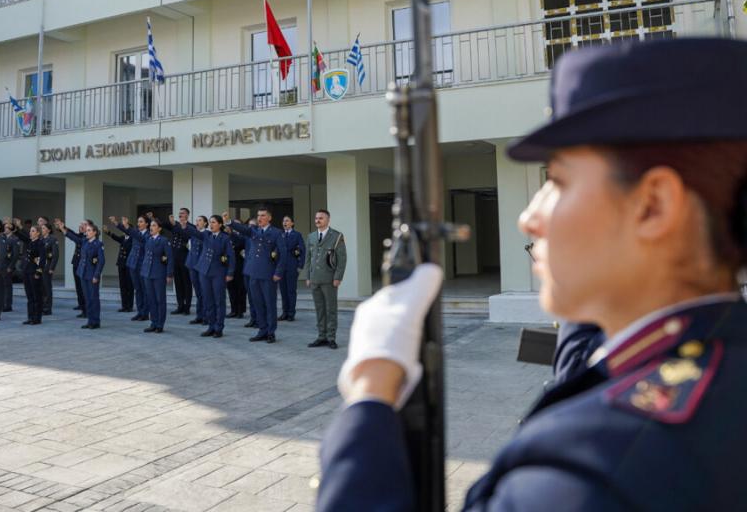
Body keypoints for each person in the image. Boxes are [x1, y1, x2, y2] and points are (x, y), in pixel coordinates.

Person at [317, 38, 747, 511]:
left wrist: (371, 393)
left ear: (654, 205)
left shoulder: (594, 472)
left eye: (558, 182)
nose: (529, 217)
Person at [224, 208, 286, 343]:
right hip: (253, 273)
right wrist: (229, 222)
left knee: (269, 304)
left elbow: (283, 255)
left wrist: (278, 272)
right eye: (258, 215)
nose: (260, 218)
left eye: (263, 215)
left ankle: (271, 332)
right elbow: (242, 229)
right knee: (257, 303)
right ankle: (262, 330)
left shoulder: (276, 233)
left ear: (269, 218)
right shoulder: (253, 230)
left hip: (268, 274)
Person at [183, 215, 235, 338]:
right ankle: (211, 326)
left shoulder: (225, 238)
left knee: (219, 301)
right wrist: (184, 224)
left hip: (218, 272)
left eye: (214, 222)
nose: (211, 225)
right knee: (208, 300)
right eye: (210, 222)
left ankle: (219, 328)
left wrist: (230, 273)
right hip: (204, 271)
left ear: (220, 224)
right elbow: (196, 232)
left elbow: (231, 257)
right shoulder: (206, 235)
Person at [303, 209, 346, 349]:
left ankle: (331, 338)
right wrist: (308, 276)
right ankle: (321, 336)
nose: (317, 220)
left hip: (329, 279)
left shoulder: (337, 236)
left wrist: (338, 277)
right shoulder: (311, 236)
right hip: (315, 279)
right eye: (316, 218)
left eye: (321, 218)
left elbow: (342, 259)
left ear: (328, 220)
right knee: (319, 309)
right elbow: (308, 258)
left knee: (331, 309)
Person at [56, 219, 105, 329]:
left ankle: (95, 321)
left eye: (89, 230)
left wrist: (96, 275)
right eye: (86, 231)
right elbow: (73, 237)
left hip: (92, 275)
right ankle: (89, 320)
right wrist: (62, 228)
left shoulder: (98, 244)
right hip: (83, 274)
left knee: (94, 298)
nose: (86, 232)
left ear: (94, 232)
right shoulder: (84, 241)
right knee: (87, 298)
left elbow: (101, 262)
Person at [155, 209, 193, 315]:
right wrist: (152, 218)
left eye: (183, 213)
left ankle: (187, 307)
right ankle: (180, 305)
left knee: (186, 283)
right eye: (179, 213)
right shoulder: (174, 225)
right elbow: (163, 225)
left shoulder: (191, 227)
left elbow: (186, 235)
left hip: (184, 257)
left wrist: (175, 225)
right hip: (175, 257)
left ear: (187, 215)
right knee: (178, 283)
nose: (180, 215)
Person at [114, 215, 150, 322]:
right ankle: (140, 312)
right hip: (133, 264)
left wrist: (126, 226)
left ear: (146, 224)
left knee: (144, 290)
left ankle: (145, 313)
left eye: (141, 222)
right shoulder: (135, 233)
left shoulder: (147, 235)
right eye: (138, 222)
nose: (139, 224)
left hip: (142, 265)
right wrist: (117, 223)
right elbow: (128, 231)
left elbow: (139, 238)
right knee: (137, 289)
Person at [140, 218, 173, 333]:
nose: (151, 227)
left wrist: (169, 274)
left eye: (154, 225)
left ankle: (160, 324)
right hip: (147, 273)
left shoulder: (164, 240)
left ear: (159, 228)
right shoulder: (148, 240)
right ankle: (153, 322)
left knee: (160, 299)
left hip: (159, 273)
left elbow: (169, 258)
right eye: (151, 225)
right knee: (151, 299)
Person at [174, 215, 207, 325]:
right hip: (192, 265)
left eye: (200, 220)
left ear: (205, 223)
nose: (197, 222)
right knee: (198, 292)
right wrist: (183, 227)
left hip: (201, 266)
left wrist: (186, 226)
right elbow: (184, 234)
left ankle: (206, 316)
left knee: (204, 292)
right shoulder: (193, 234)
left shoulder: (206, 234)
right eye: (196, 220)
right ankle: (199, 315)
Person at [14, 224, 46, 325]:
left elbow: (42, 259)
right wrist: (14, 227)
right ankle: (30, 317)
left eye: (33, 231)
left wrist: (38, 272)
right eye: (30, 231)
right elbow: (20, 236)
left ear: (38, 233)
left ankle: (37, 318)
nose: (30, 233)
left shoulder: (40, 243)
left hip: (34, 272)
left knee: (37, 296)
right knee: (29, 296)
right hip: (27, 271)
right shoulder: (30, 242)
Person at [278, 215, 306, 321]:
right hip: (281, 266)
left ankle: (291, 313)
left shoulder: (297, 235)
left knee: (291, 290)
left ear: (292, 223)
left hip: (291, 265)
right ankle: (284, 312)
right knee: (283, 290)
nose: (285, 223)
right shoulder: (280, 235)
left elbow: (302, 250)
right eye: (283, 221)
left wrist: (300, 266)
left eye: (287, 221)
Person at [103, 224, 134, 313]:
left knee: (129, 285)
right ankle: (124, 305)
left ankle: (129, 306)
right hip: (121, 263)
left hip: (129, 264)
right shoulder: (123, 237)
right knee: (122, 285)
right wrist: (108, 232)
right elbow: (115, 237)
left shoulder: (133, 238)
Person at [224, 225, 247, 319]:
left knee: (240, 289)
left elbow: (240, 242)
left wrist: (232, 233)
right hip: (228, 266)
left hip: (238, 266)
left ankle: (240, 310)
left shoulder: (241, 236)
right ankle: (233, 310)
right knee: (231, 288)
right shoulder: (225, 237)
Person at [40, 223, 59, 316]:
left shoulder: (52, 239)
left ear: (48, 230)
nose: (42, 230)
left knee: (47, 288)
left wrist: (52, 267)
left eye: (43, 228)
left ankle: (47, 308)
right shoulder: (41, 239)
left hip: (47, 266)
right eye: (41, 228)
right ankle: (42, 306)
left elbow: (55, 255)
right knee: (41, 288)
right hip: (40, 266)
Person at [69, 220, 87, 317]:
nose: (80, 226)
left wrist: (64, 230)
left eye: (83, 225)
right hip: (76, 262)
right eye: (80, 225)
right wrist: (63, 228)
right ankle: (81, 305)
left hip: (82, 265)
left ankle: (85, 308)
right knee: (78, 286)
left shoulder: (87, 237)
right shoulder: (80, 235)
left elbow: (73, 237)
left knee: (82, 287)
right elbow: (72, 234)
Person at [2, 221, 19, 312]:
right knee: (2, 285)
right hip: (2, 265)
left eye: (6, 228)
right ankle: (3, 303)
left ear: (11, 230)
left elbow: (15, 255)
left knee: (7, 286)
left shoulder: (14, 239)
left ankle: (7, 304)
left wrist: (11, 266)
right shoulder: (3, 238)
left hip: (8, 265)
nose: (4, 229)